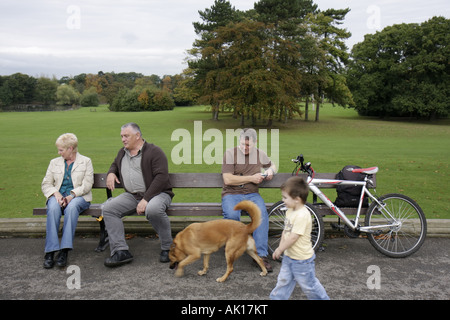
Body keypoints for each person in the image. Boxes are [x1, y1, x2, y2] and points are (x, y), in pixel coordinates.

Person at [102, 123, 174, 267]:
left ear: (137, 136)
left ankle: (169, 248)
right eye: (122, 136)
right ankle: (121, 251)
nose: (123, 139)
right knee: (108, 209)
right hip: (132, 196)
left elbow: (161, 177)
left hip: (158, 194)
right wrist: (111, 172)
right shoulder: (123, 152)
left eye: (126, 136)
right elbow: (115, 164)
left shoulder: (154, 152)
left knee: (152, 209)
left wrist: (146, 199)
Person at [221, 128, 276, 272]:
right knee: (233, 216)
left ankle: (260, 256)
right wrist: (251, 178)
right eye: (242, 144)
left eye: (248, 145)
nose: (244, 148)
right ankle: (232, 248)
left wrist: (269, 172)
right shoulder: (229, 154)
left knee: (262, 215)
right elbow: (227, 179)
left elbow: (272, 165)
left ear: (255, 143)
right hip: (231, 194)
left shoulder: (259, 154)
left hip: (252, 194)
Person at [270, 176, 329, 300]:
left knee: (309, 286)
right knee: (283, 282)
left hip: (302, 261)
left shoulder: (302, 215)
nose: (283, 200)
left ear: (297, 199)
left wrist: (280, 249)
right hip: (289, 257)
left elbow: (293, 237)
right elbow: (285, 231)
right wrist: (281, 247)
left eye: (285, 197)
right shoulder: (290, 210)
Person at [41, 133, 94, 269]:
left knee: (71, 208)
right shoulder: (54, 162)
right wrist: (56, 194)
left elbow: (87, 185)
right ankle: (50, 251)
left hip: (79, 198)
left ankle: (64, 251)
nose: (59, 153)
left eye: (61, 150)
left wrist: (71, 195)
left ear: (70, 148)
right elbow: (46, 184)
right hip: (57, 196)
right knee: (52, 208)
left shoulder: (86, 161)